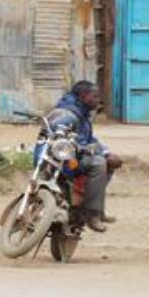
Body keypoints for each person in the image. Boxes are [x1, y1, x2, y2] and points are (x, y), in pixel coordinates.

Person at [46, 81, 122, 233]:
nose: (98, 100)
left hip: (71, 157)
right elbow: (77, 141)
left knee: (109, 162)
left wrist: (106, 152)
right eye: (95, 97)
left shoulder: (82, 112)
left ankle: (90, 207)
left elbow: (88, 139)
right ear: (83, 96)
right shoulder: (69, 112)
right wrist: (99, 153)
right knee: (99, 163)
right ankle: (92, 214)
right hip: (63, 158)